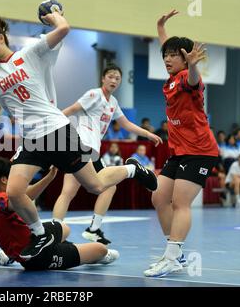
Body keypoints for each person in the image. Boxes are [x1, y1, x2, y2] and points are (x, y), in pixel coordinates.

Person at [0, 9, 158, 259]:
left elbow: (64, 30)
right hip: (32, 139)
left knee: (95, 185)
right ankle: (40, 234)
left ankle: (133, 169)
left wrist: (55, 16)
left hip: (57, 130)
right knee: (15, 193)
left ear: (1, 37)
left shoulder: (29, 54)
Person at [144, 9, 219, 277]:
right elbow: (166, 44)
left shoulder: (189, 81)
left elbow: (194, 78)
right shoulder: (171, 80)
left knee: (180, 203)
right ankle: (174, 254)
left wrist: (194, 64)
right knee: (158, 197)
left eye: (174, 55)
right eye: (166, 54)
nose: (167, 58)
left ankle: (172, 255)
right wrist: (160, 24)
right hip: (179, 152)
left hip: (200, 152)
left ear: (185, 59)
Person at [51, 65, 162, 244]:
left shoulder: (113, 103)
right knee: (108, 187)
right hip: (84, 147)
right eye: (110, 76)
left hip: (80, 149)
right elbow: (71, 109)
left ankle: (55, 234)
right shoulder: (94, 95)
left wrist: (147, 134)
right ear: (103, 78)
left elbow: (125, 124)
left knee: (68, 193)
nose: (114, 80)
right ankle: (93, 229)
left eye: (117, 78)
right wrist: (50, 125)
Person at [0, 156, 119, 270]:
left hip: (27, 241)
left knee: (64, 228)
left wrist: (49, 177)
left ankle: (10, 255)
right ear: (4, 180)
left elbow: (24, 197)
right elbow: (19, 199)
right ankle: (80, 254)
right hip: (37, 257)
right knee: (100, 250)